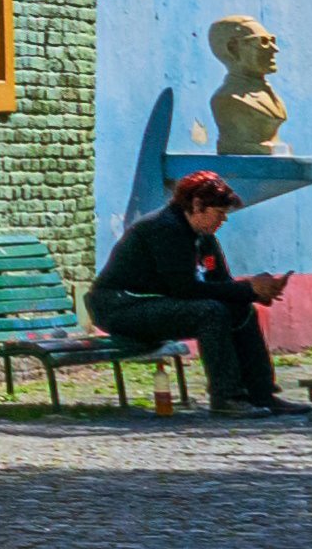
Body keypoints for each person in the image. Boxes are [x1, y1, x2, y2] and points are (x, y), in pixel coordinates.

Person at [94, 167, 296, 412]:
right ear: (197, 204)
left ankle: (261, 394)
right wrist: (248, 289)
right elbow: (184, 289)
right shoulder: (165, 229)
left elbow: (219, 282)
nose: (223, 220)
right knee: (210, 312)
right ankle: (226, 396)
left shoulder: (203, 237)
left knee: (241, 310)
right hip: (122, 306)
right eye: (219, 213)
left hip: (157, 303)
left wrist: (256, 293)